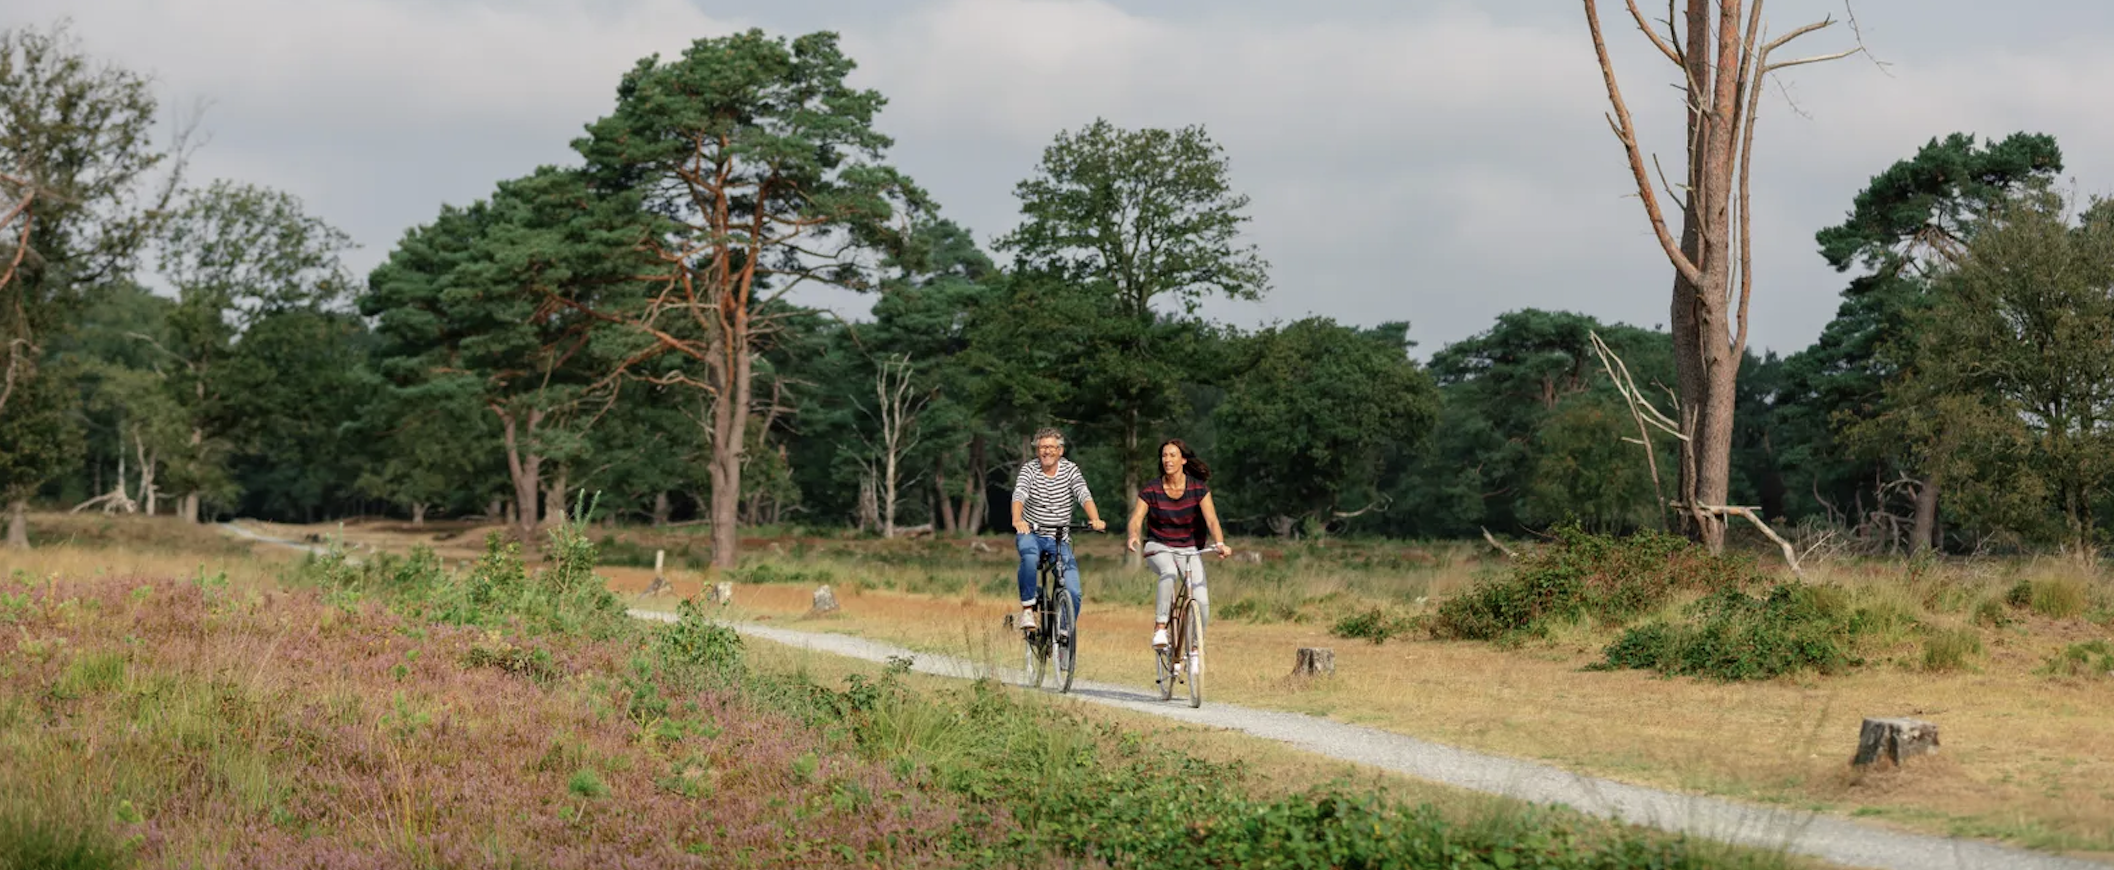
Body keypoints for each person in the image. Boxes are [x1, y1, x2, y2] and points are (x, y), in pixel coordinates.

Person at [1125, 439, 1230, 649]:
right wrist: (1133, 535)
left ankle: (1194, 648)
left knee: (1201, 600)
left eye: (1172, 455)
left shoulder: (1198, 489)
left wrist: (1219, 542)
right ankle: (1161, 628)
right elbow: (1136, 517)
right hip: (1158, 546)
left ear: (1183, 460)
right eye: (1164, 455)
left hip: (1189, 549)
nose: (1167, 460)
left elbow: (1211, 520)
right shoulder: (1152, 489)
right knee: (1169, 573)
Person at [1010, 427, 1106, 633]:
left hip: (1059, 538)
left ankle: (1064, 632)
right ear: (1037, 451)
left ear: (1060, 451)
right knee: (1028, 557)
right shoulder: (1029, 469)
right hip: (1031, 533)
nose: (1047, 451)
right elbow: (1019, 494)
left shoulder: (1071, 470)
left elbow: (1083, 494)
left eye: (1051, 447)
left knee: (1073, 589)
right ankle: (1027, 608)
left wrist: (1095, 518)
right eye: (1042, 447)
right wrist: (1017, 519)